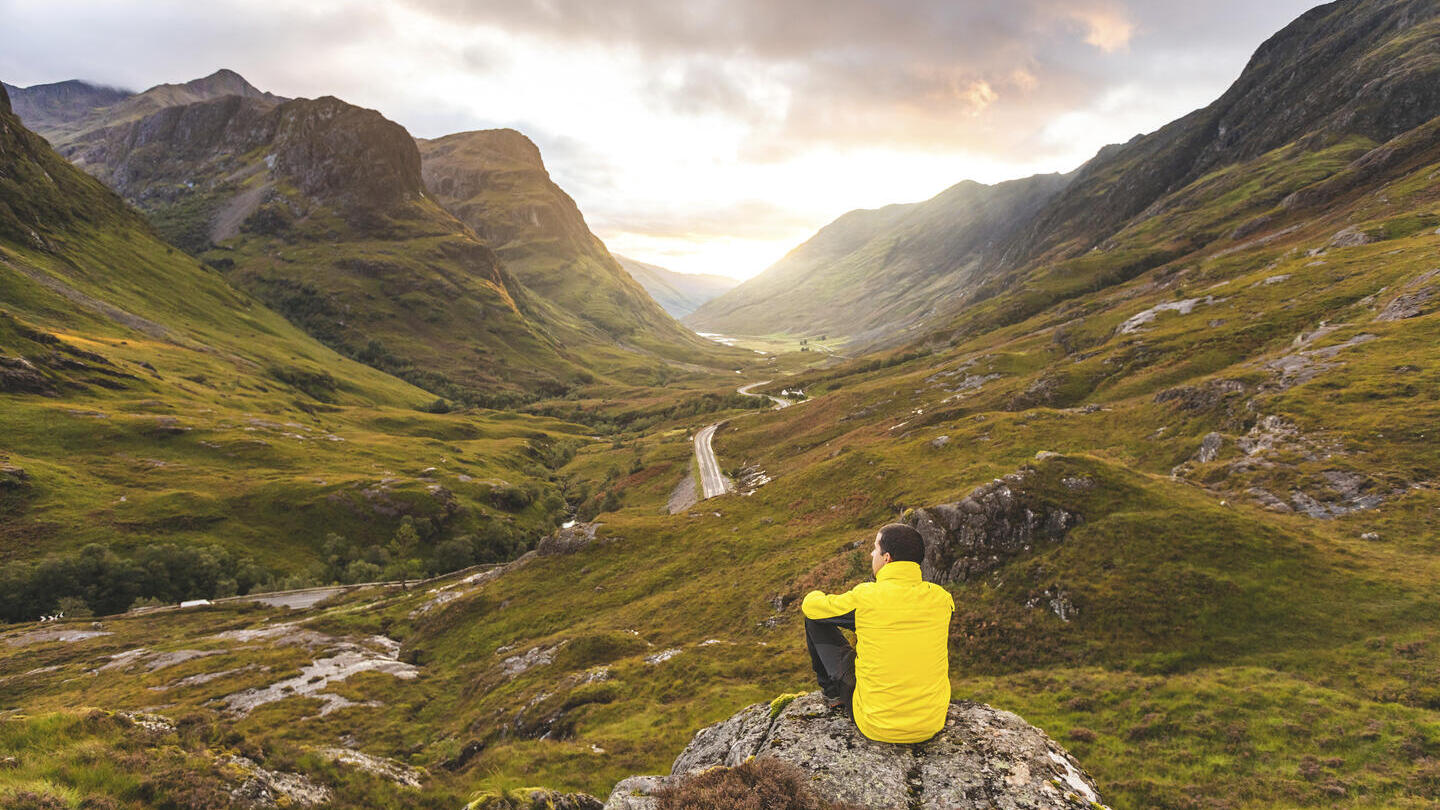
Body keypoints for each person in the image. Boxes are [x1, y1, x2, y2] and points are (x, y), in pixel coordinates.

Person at [801, 522, 954, 744]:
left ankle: (833, 695)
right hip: (932, 722)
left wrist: (814, 592)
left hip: (876, 724)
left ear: (887, 558)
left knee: (814, 621)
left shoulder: (867, 597)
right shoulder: (941, 599)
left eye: (875, 548)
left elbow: (812, 608)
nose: (872, 553)